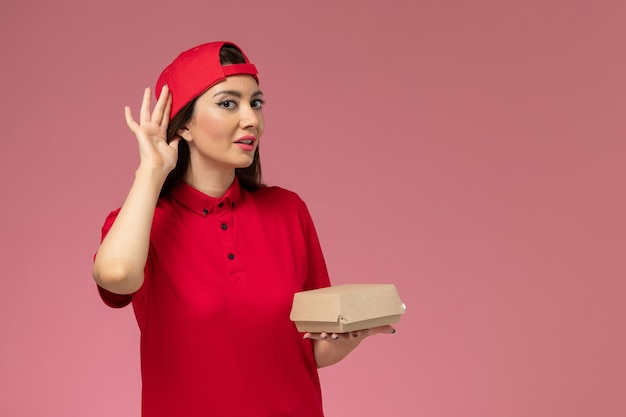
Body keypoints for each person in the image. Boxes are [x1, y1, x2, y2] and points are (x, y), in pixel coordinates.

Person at [92, 41, 395, 417]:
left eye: (256, 103)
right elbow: (116, 275)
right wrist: (152, 170)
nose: (251, 119)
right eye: (228, 103)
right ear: (183, 123)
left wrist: (349, 336)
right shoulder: (141, 224)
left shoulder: (288, 211)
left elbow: (312, 348)